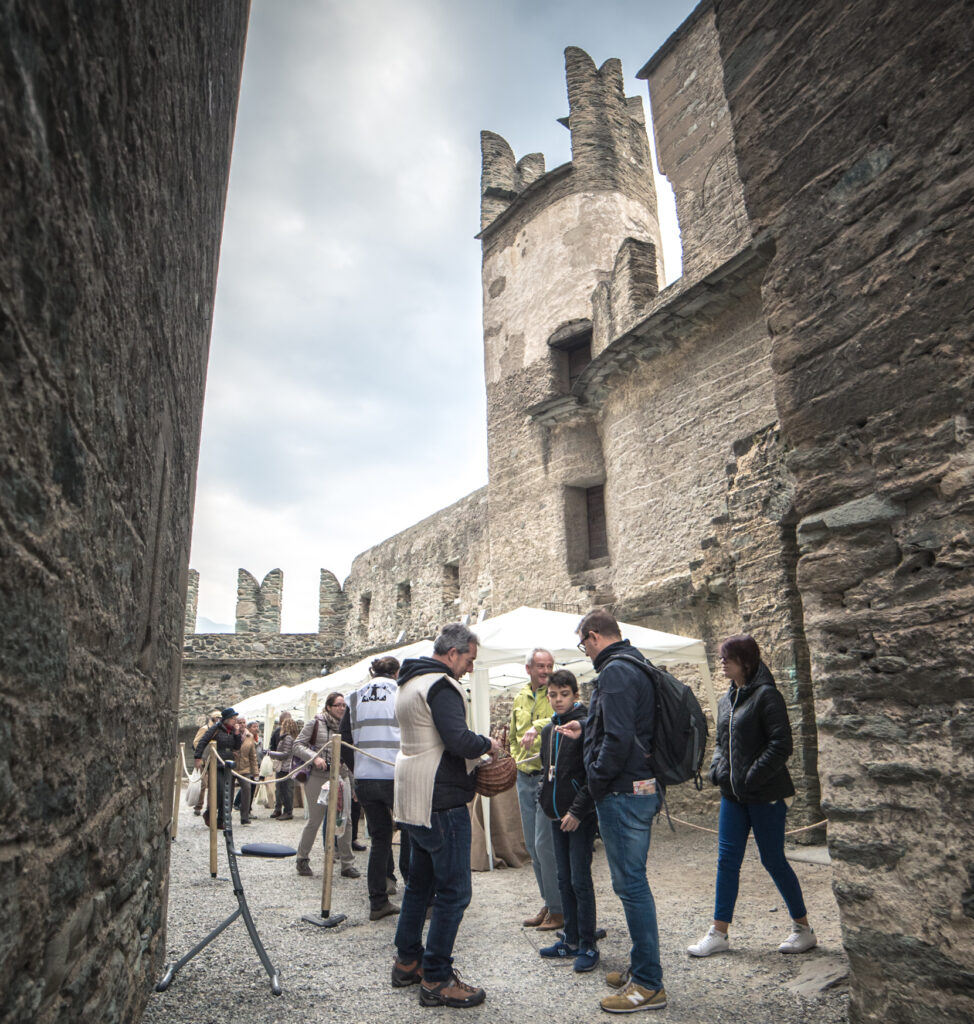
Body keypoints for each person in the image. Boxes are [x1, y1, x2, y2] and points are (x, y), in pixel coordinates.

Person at [561, 608, 667, 1013]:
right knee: (632, 884)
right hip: (632, 787)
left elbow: (620, 740)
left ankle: (648, 984)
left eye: (582, 644)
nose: (584, 652)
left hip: (623, 792)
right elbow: (625, 728)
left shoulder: (616, 672)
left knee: (631, 886)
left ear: (593, 636)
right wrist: (586, 729)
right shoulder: (634, 663)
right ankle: (642, 967)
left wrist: (594, 786)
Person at [687, 634, 816, 958]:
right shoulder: (726, 700)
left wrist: (749, 776)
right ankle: (719, 932)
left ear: (745, 660)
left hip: (766, 794)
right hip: (734, 796)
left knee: (772, 859)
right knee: (726, 861)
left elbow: (781, 744)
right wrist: (718, 769)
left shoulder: (767, 696)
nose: (721, 662)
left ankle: (803, 929)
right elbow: (721, 743)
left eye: (726, 657)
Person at [390, 623, 498, 1008]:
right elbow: (458, 739)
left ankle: (408, 961)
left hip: (412, 793)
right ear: (453, 653)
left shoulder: (408, 683)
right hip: (441, 797)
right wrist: (488, 743)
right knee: (454, 892)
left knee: (420, 884)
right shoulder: (440, 685)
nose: (469, 667)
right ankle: (436, 977)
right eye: (469, 658)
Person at [538, 669, 599, 973]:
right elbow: (546, 771)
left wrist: (577, 810)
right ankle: (571, 938)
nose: (558, 700)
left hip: (579, 816)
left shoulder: (585, 726)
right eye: (553, 695)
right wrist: (543, 798)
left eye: (564, 694)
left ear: (575, 695)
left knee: (580, 879)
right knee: (564, 878)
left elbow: (592, 776)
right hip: (554, 814)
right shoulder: (549, 730)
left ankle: (588, 943)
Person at [340, 656, 410, 920]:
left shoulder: (355, 697)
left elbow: (345, 739)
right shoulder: (400, 691)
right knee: (409, 833)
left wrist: (357, 768)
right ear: (396, 672)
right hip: (396, 773)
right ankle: (415, 894)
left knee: (379, 838)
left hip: (367, 775)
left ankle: (378, 901)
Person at [509, 648, 563, 931]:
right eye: (541, 666)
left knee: (545, 846)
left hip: (547, 776)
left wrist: (538, 728)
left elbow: (560, 718)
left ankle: (559, 910)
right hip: (524, 777)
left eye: (549, 666)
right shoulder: (519, 697)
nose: (546, 671)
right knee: (532, 846)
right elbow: (513, 736)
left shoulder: (557, 693)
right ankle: (548, 902)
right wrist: (514, 759)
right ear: (528, 668)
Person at [293, 693, 359, 878]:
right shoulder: (315, 723)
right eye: (338, 705)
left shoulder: (348, 726)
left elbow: (351, 755)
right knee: (315, 820)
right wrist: (315, 758)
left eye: (344, 705)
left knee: (345, 820)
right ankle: (302, 858)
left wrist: (353, 785)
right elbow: (297, 745)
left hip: (342, 775)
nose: (342, 708)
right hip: (318, 776)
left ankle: (347, 864)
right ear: (329, 707)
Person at [194, 707, 243, 830]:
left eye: (235, 719)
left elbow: (237, 747)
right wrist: (198, 757)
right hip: (216, 763)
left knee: (229, 793)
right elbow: (203, 741)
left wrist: (237, 735)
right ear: (226, 719)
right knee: (220, 791)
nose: (235, 721)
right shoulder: (216, 728)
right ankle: (209, 813)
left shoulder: (233, 731)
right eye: (233, 719)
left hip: (229, 764)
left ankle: (222, 820)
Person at [269, 716, 299, 820]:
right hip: (284, 767)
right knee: (281, 789)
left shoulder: (288, 738)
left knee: (286, 790)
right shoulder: (289, 738)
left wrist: (271, 753)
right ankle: (280, 810)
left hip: (286, 767)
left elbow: (285, 754)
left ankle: (288, 811)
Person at [192, 710, 221, 815]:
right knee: (203, 784)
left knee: (212, 784)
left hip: (214, 760)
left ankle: (211, 807)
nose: (219, 720)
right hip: (204, 760)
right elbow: (196, 742)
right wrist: (201, 755)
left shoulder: (219, 730)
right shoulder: (205, 729)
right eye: (217, 718)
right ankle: (198, 806)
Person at [236, 716, 259, 824]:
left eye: (244, 722)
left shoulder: (250, 737)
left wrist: (255, 772)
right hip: (233, 767)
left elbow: (252, 756)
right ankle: (225, 816)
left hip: (245, 768)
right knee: (228, 791)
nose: (242, 724)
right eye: (240, 722)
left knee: (247, 789)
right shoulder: (232, 734)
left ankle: (244, 816)